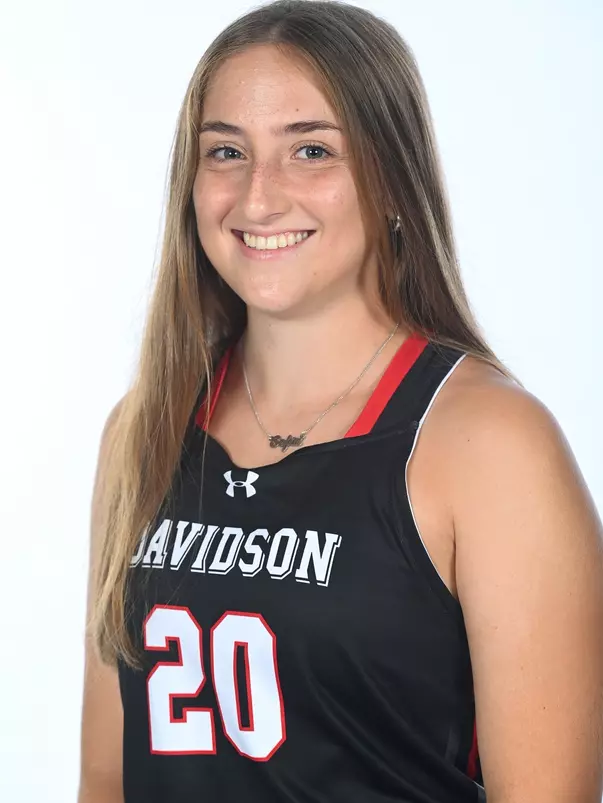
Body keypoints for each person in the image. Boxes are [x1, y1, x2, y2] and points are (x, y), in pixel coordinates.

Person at [78, 1, 603, 801]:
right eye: (226, 151)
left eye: (311, 150)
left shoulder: (489, 445)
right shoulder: (143, 429)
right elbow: (107, 779)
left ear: (393, 180)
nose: (258, 199)